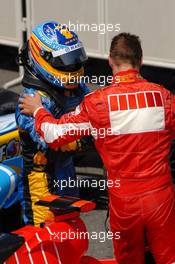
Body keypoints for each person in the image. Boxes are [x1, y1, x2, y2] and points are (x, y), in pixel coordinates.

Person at [19, 32, 175, 263]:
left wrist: (38, 110)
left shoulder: (97, 102)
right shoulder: (165, 97)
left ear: (110, 60)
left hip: (125, 201)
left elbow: (53, 134)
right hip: (160, 196)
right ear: (141, 60)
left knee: (128, 259)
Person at [16, 21, 90, 227]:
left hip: (67, 173)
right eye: (65, 62)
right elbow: (49, 140)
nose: (72, 67)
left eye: (74, 60)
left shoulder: (77, 88)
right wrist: (90, 135)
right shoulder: (30, 100)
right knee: (46, 241)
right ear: (41, 58)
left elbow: (97, 109)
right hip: (41, 183)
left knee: (72, 230)